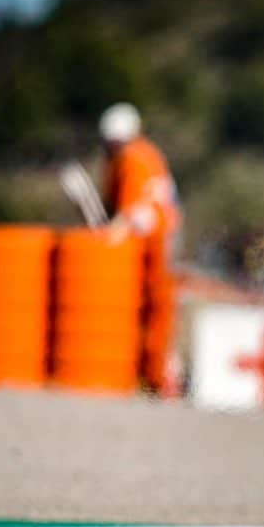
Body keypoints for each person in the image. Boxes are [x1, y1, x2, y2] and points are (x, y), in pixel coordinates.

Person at [99, 101, 183, 395]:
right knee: (160, 312)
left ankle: (156, 378)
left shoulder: (130, 159)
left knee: (153, 312)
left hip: (153, 246)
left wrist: (103, 245)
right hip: (165, 239)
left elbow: (126, 212)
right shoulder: (149, 154)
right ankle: (158, 377)